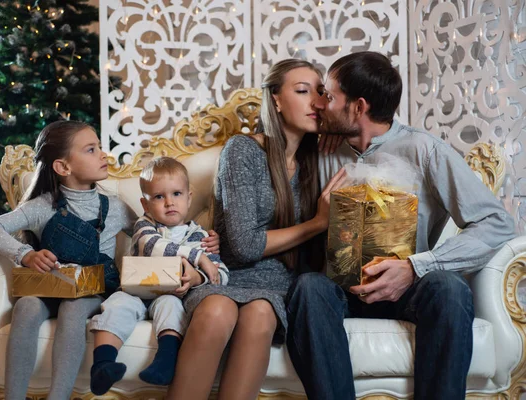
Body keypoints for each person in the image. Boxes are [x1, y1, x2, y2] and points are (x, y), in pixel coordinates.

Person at [286, 51, 517, 399]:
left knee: (449, 288)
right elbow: (270, 133)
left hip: (406, 290)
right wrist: (322, 133)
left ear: (358, 107)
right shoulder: (321, 149)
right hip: (338, 292)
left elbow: (496, 223)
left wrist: (417, 267)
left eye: (329, 96)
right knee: (308, 288)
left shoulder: (424, 151)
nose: (320, 104)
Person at [167, 59, 340, 400]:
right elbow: (245, 246)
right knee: (217, 311)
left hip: (279, 288)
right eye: (302, 91)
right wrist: (317, 223)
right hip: (229, 276)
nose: (315, 102)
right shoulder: (243, 150)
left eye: (320, 93)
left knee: (260, 314)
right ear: (275, 99)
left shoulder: (321, 161)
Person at [0, 120, 137, 400]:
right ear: (63, 167)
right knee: (25, 306)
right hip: (51, 286)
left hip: (95, 289)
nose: (103, 154)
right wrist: (25, 254)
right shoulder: (42, 206)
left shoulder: (116, 208)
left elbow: (148, 234)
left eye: (99, 147)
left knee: (73, 308)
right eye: (91, 149)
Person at [88, 157, 227, 394]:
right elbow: (152, 247)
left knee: (173, 308)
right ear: (145, 203)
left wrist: (198, 278)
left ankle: (165, 363)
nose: (169, 202)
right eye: (159, 197)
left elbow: (221, 275)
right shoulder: (145, 225)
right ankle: (102, 365)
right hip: (134, 289)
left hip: (169, 294)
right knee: (116, 305)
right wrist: (197, 258)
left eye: (176, 194)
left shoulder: (199, 235)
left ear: (189, 197)